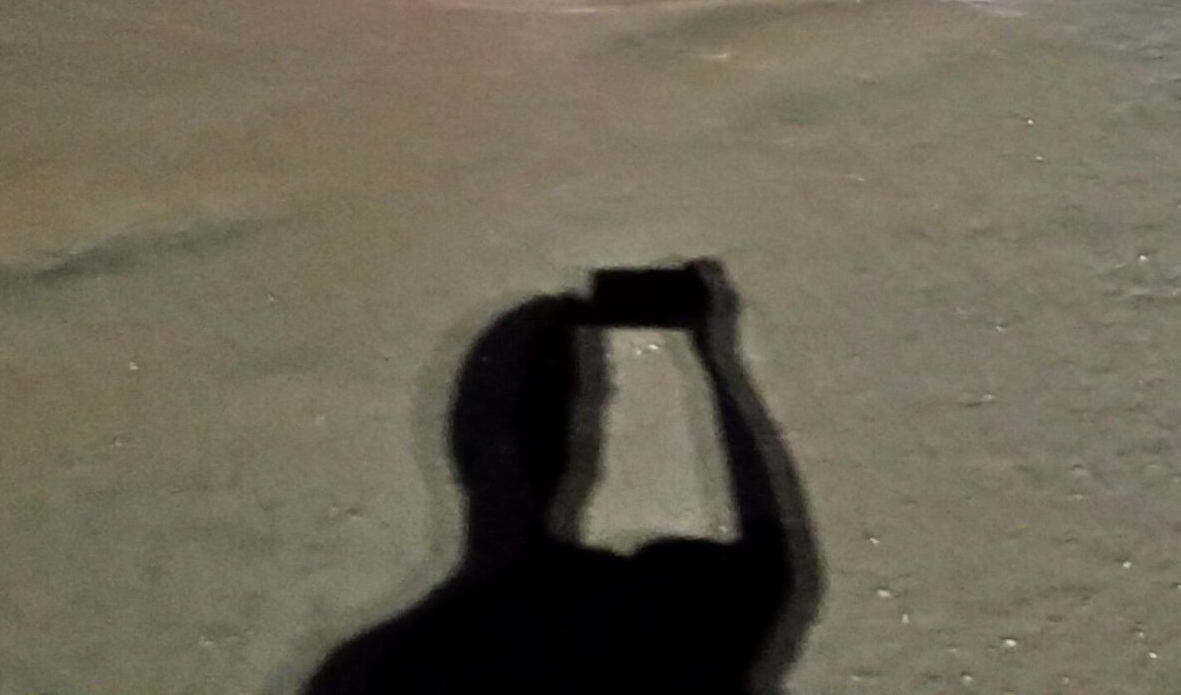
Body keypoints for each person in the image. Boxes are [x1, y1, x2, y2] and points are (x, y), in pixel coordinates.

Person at [303, 261, 817, 694]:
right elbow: (767, 555)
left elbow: (767, 558)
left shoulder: (392, 664)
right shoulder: (667, 635)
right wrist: (711, 353)